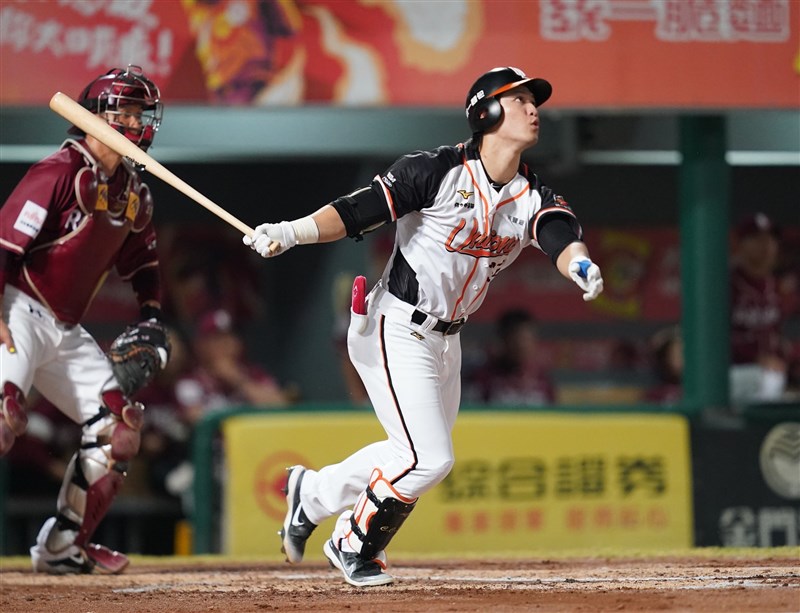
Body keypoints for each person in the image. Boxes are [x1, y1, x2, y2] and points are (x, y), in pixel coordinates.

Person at [243, 66, 604, 587]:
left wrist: (579, 264)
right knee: (429, 458)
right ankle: (352, 543)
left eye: (534, 101)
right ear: (485, 111)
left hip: (447, 339)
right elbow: (359, 211)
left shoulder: (529, 193)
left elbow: (557, 232)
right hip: (395, 324)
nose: (533, 109)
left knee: (406, 453)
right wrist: (291, 232)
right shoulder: (435, 170)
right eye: (519, 100)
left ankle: (312, 493)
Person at [0, 65, 171, 574]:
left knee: (120, 430)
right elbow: (5, 245)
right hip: (16, 308)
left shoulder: (134, 192)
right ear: (96, 116)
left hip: (65, 327)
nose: (136, 122)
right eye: (126, 112)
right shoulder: (58, 171)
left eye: (141, 113)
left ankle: (62, 546)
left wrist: (152, 317)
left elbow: (144, 266)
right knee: (2, 421)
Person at [729, 213, 789, 404]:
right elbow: (714, 339)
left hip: (769, 372)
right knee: (769, 380)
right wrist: (757, 358)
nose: (766, 245)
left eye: (771, 238)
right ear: (741, 244)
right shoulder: (726, 285)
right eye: (757, 238)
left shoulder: (776, 286)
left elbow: (776, 336)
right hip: (731, 371)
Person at [466, 308, 555, 406]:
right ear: (503, 340)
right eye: (517, 339)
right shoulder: (483, 379)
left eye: (527, 339)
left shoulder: (542, 382)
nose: (522, 346)